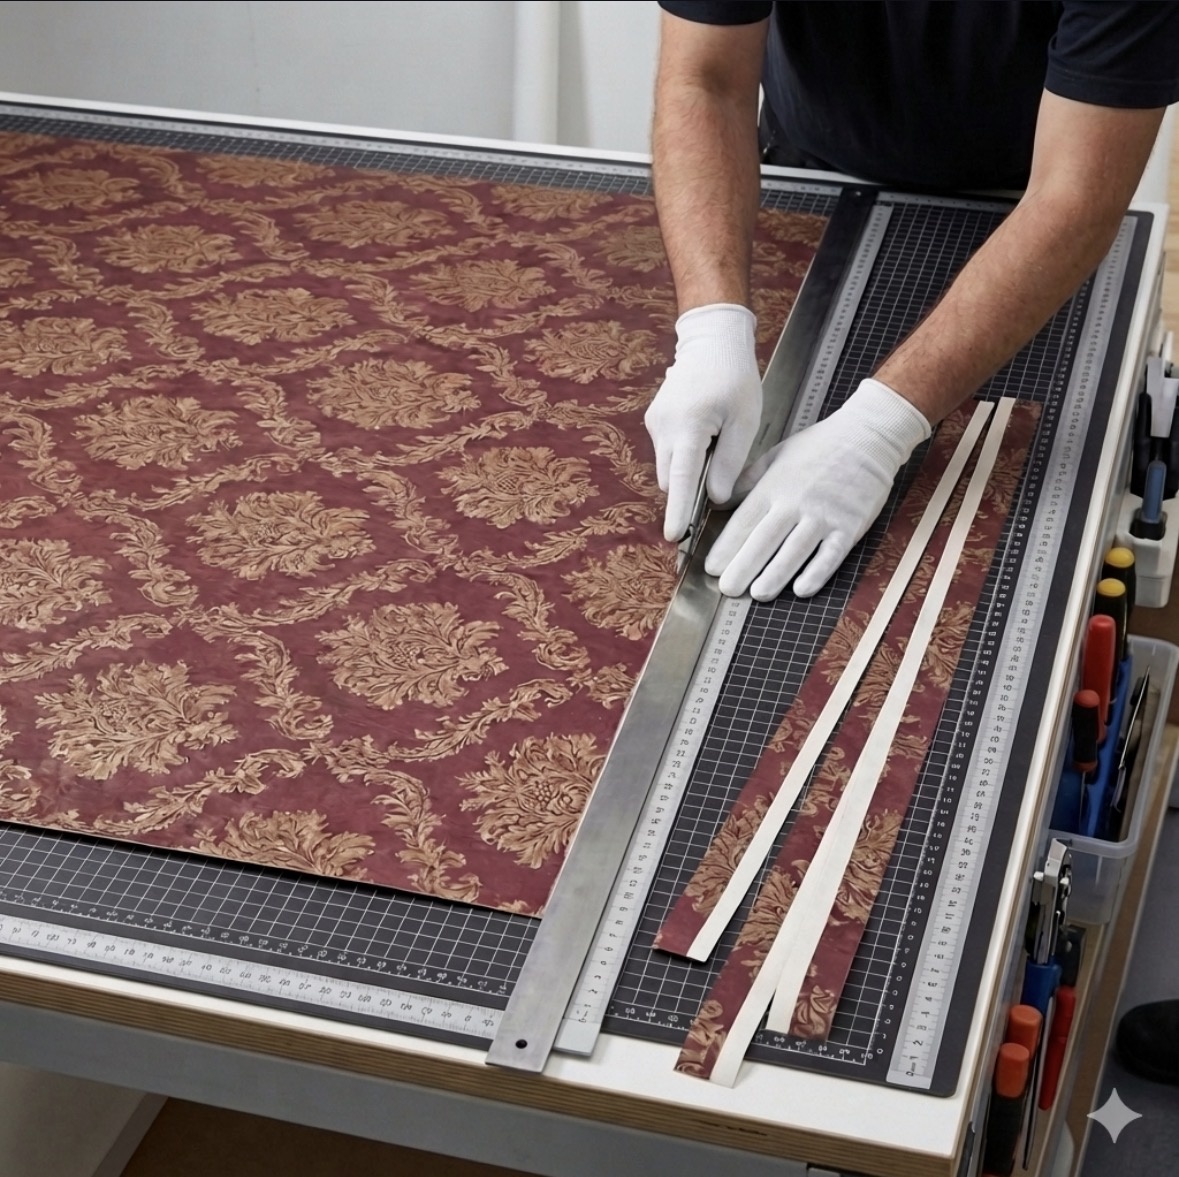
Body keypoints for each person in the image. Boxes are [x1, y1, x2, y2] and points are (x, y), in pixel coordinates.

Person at [644, 1, 1179, 601]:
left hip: (1026, 203)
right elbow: (705, 81)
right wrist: (712, 329)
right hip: (811, 172)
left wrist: (878, 430)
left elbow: (1073, 195)